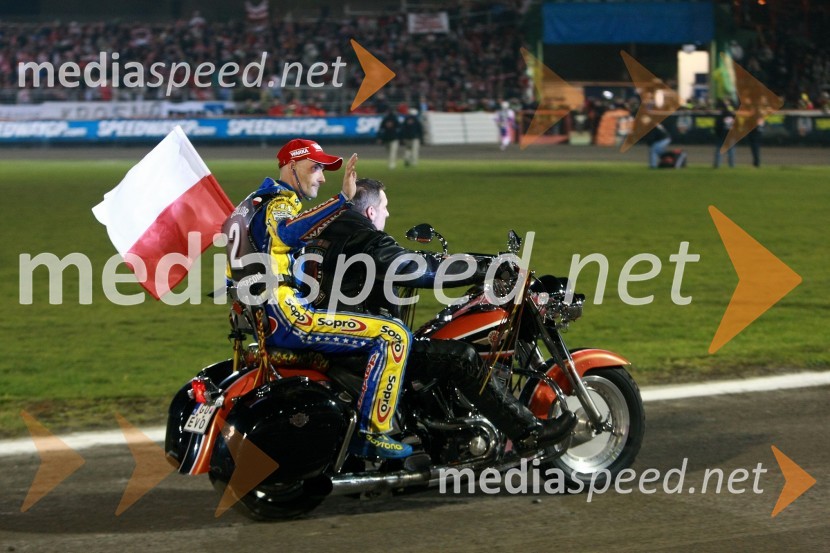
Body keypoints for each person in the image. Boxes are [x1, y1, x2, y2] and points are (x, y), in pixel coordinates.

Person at [306, 178, 577, 452]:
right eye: (384, 207)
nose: (388, 213)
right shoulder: (364, 237)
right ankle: (528, 433)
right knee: (462, 357)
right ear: (370, 212)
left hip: (330, 339)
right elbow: (413, 267)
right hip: (365, 345)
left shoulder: (323, 234)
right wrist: (482, 269)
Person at [223, 139, 414, 460]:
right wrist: (341, 200)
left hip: (255, 319)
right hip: (289, 319)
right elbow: (287, 232)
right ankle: (372, 434)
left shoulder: (247, 205)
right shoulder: (280, 203)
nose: (322, 177)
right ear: (291, 167)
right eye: (315, 167)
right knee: (394, 335)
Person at [714, 100, 736, 168]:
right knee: (731, 151)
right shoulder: (732, 116)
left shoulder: (721, 116)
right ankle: (731, 165)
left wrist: (717, 134)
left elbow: (717, 126)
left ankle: (717, 165)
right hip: (730, 135)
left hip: (722, 135)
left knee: (719, 151)